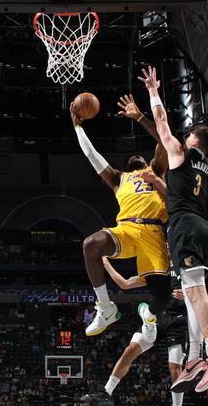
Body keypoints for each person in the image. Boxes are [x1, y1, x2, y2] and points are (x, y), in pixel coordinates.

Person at [136, 66, 208, 393]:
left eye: (188, 133)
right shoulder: (207, 167)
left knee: (195, 293)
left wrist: (153, 91)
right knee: (191, 296)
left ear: (194, 140)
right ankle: (195, 357)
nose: (183, 135)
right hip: (199, 225)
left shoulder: (183, 151)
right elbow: (178, 196)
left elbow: (162, 124)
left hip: (185, 229)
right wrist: (158, 183)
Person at [71, 94, 172, 337]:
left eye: (138, 156)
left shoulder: (155, 169)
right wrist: (77, 126)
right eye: (131, 159)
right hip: (125, 230)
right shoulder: (118, 179)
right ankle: (106, 307)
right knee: (90, 245)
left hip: (152, 233)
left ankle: (149, 314)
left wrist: (139, 116)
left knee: (163, 296)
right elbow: (91, 154)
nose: (134, 156)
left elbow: (164, 137)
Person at [83, 258, 190, 406]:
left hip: (178, 320)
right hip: (158, 316)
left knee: (175, 368)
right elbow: (124, 283)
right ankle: (106, 392)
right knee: (129, 350)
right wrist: (106, 264)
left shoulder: (187, 268)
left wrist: (188, 294)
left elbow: (203, 296)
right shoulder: (155, 268)